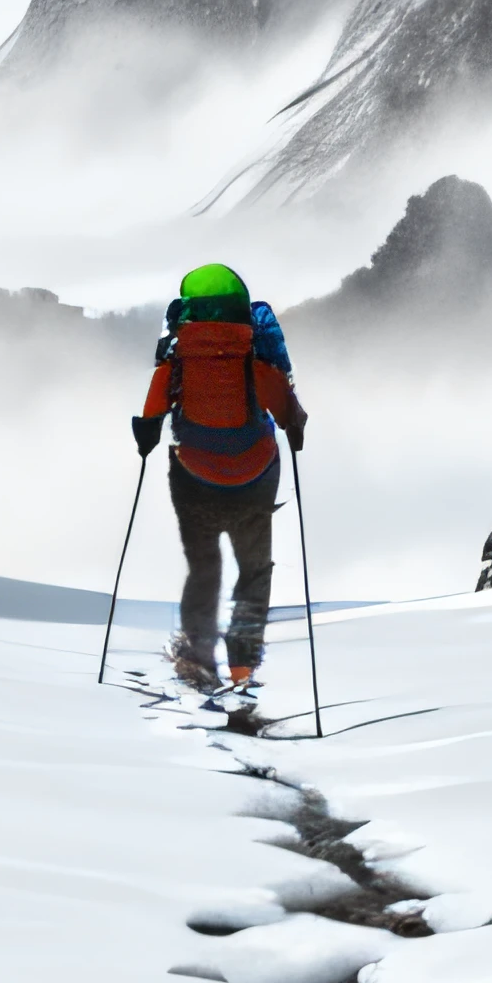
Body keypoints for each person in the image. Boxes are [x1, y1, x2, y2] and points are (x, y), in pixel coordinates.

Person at [133, 261, 305, 693]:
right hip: (254, 473)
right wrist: (295, 426)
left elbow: (154, 403)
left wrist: (146, 436)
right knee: (254, 571)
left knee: (203, 567)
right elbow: (281, 405)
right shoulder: (253, 346)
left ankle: (197, 658)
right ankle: (243, 666)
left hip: (193, 474)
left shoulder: (180, 350)